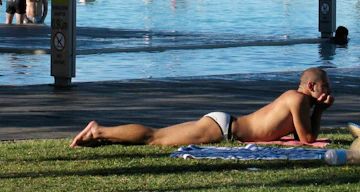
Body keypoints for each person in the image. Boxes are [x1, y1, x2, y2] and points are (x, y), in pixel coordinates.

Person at [70, 67, 333, 148]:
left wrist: (317, 111)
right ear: (311, 86)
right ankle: (98, 131)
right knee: (155, 138)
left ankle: (104, 136)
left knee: (157, 135)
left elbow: (301, 137)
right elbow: (307, 138)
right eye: (326, 87)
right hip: (223, 129)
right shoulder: (297, 100)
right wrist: (320, 111)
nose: (329, 92)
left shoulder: (295, 99)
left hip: (223, 124)